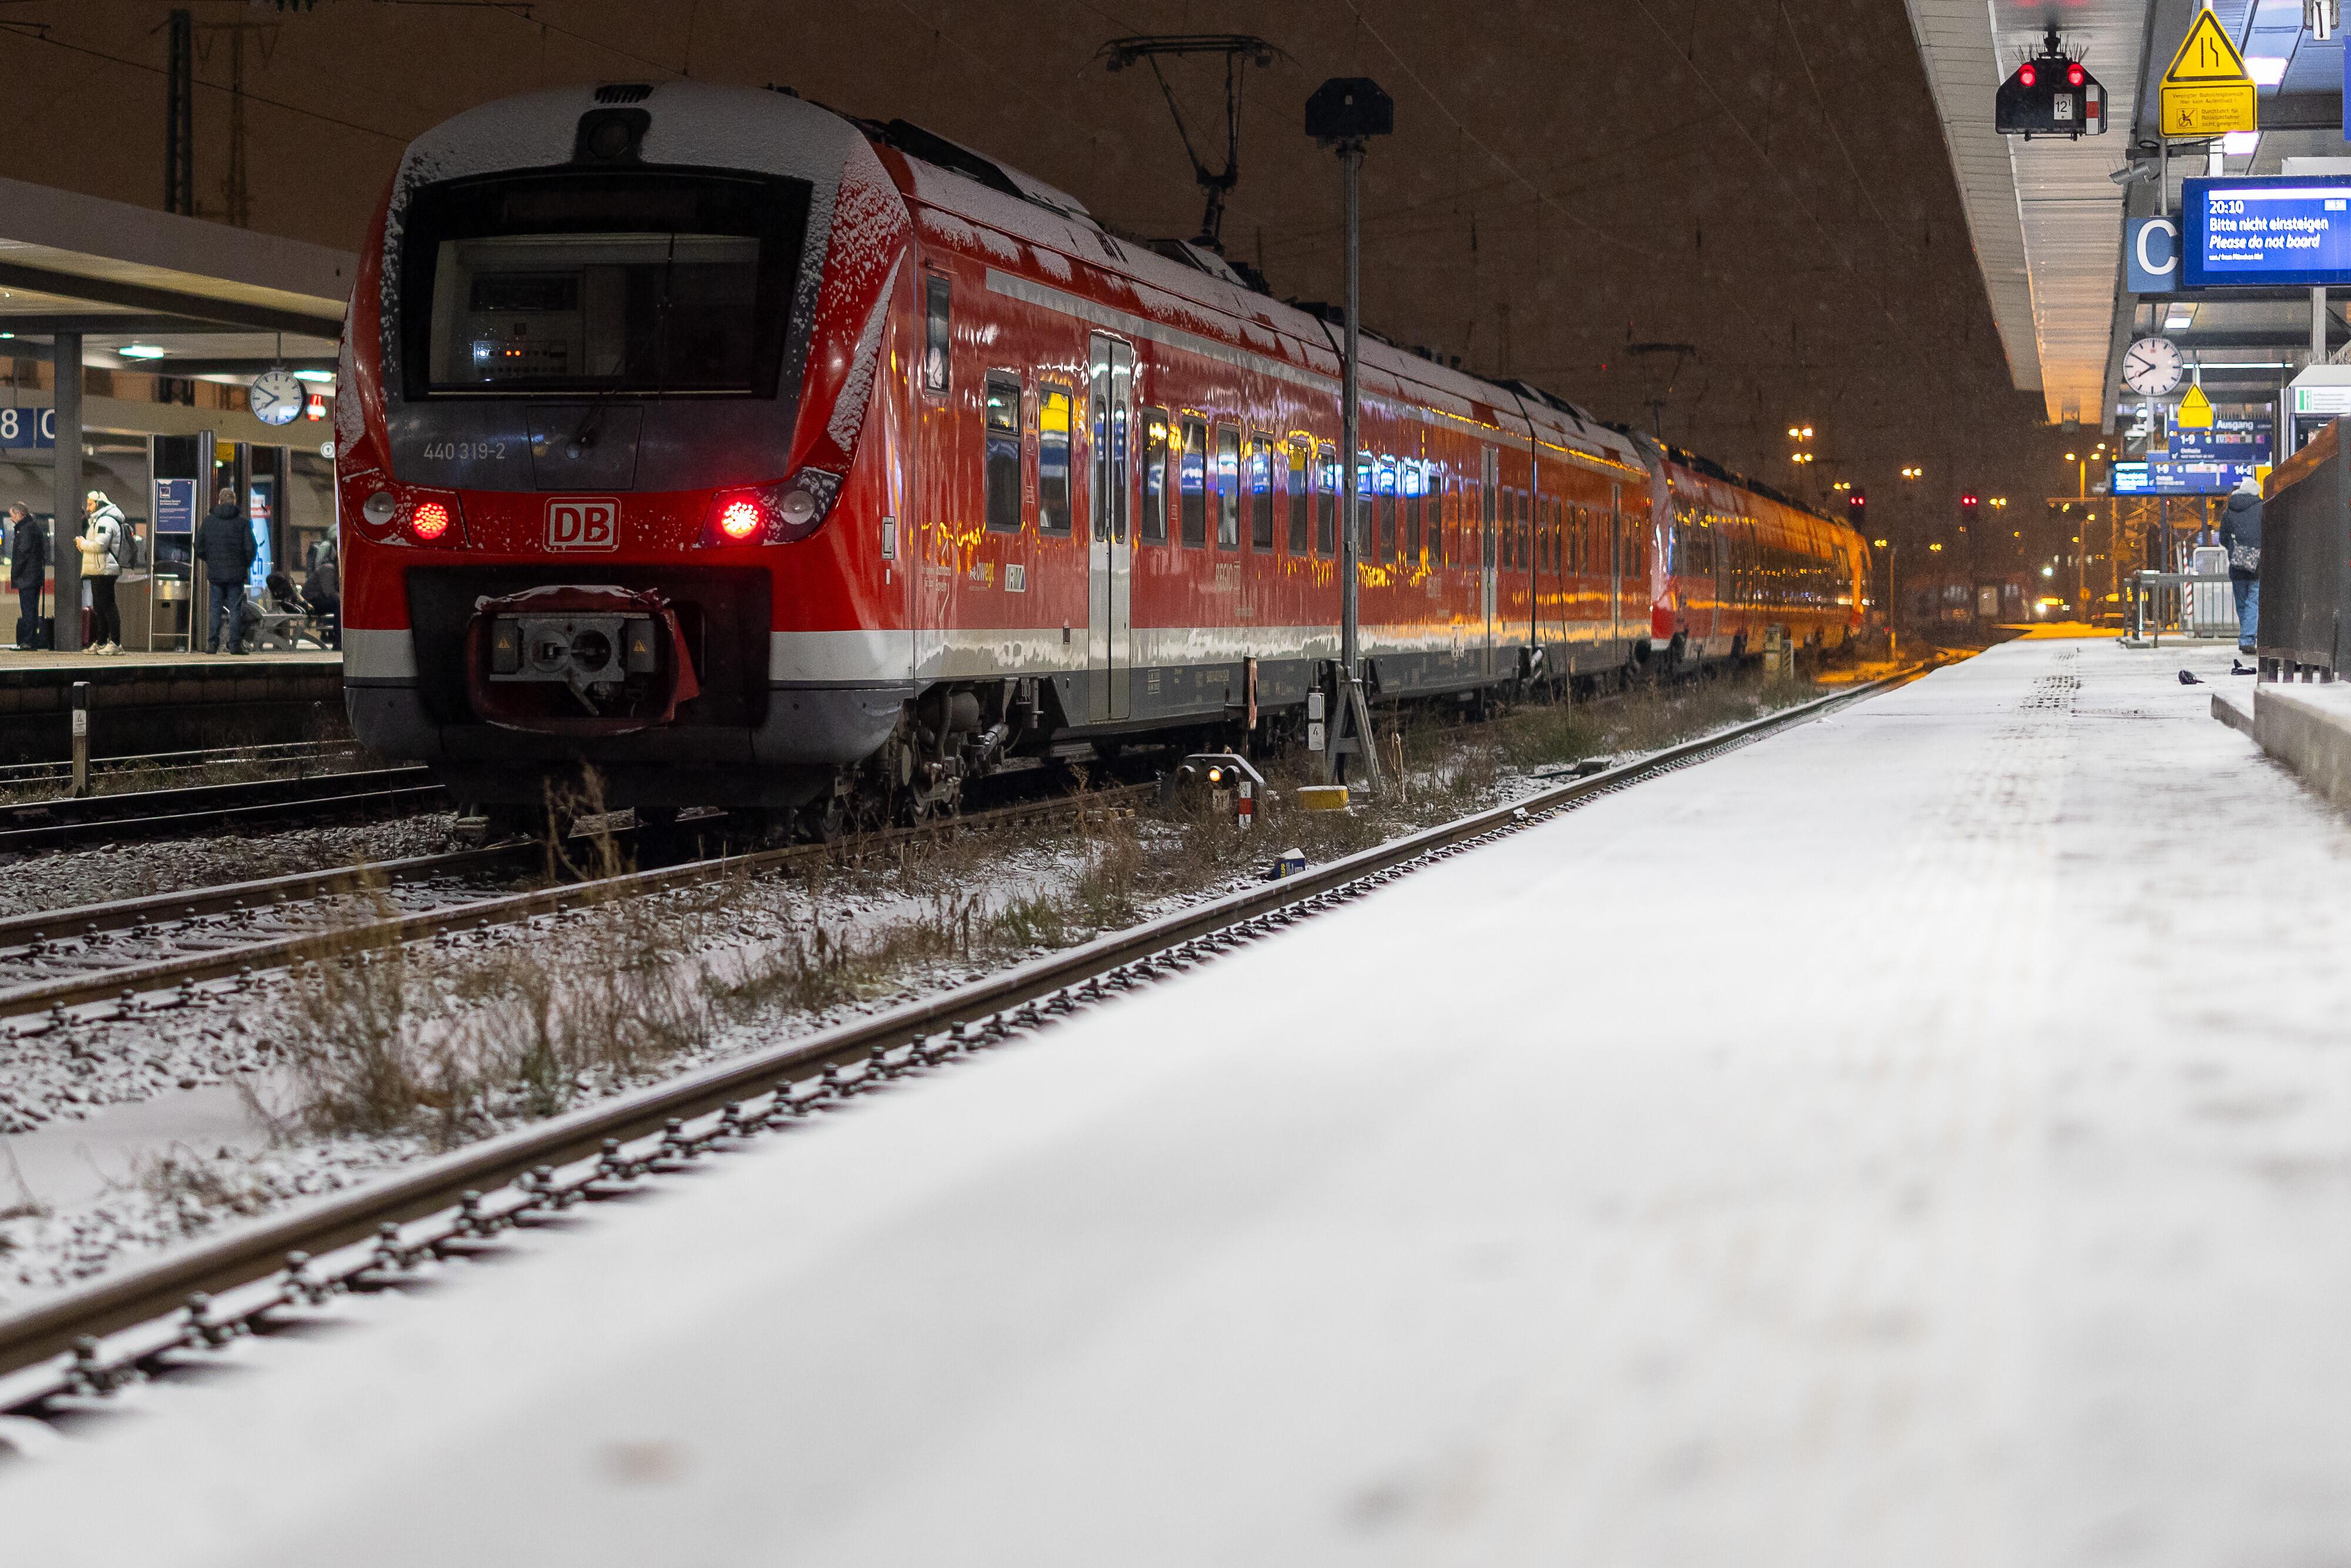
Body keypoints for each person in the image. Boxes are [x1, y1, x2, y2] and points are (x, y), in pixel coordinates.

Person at [196, 485, 256, 655]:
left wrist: (210, 560)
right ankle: (235, 645)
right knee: (235, 609)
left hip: (216, 573)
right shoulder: (243, 522)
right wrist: (245, 564)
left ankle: (212, 645)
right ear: (234, 502)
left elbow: (198, 546)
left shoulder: (209, 521)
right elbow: (250, 548)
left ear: (219, 501)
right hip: (236, 574)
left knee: (215, 608)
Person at [75, 490, 125, 654]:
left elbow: (101, 545)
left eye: (90, 504)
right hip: (98, 568)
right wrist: (85, 546)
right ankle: (102, 641)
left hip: (106, 569)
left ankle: (116, 643)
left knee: (108, 605)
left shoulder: (106, 521)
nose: (88, 508)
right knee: (100, 606)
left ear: (99, 504)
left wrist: (83, 544)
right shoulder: (98, 521)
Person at [2220, 473, 2262, 658]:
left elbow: (2223, 538)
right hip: (2257, 563)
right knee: (2254, 601)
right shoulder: (2262, 508)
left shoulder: (2229, 510)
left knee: (2242, 603)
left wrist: (2234, 549)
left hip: (2236, 564)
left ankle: (2246, 636)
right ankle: (2247, 639)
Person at [6, 503, 43, 650]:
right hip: (32, 576)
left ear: (19, 515)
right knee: (31, 609)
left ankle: (28, 641)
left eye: (12, 515)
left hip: (27, 577)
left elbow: (23, 554)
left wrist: (15, 572)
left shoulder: (26, 530)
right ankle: (30, 640)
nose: (11, 518)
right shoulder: (31, 527)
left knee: (28, 609)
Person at [303, 536, 340, 649]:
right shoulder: (328, 568)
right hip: (311, 602)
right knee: (340, 605)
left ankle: (337, 639)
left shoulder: (333, 569)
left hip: (317, 600)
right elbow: (329, 592)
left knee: (340, 604)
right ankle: (338, 641)